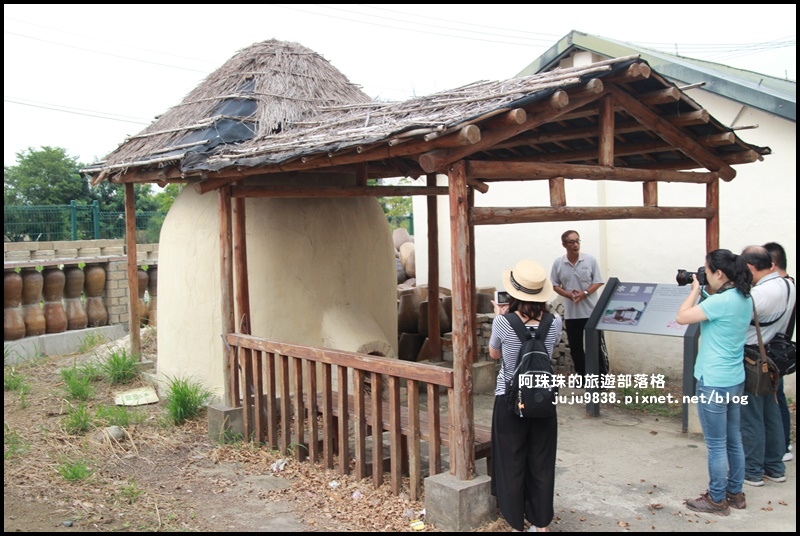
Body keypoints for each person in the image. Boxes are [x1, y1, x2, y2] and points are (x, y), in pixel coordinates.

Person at [676, 248, 753, 515]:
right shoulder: (743, 298)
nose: (706, 276)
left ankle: (717, 499)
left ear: (719, 273)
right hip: (734, 380)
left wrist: (695, 290)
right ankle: (735, 494)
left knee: (717, 444)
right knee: (734, 439)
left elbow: (682, 317)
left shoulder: (720, 302)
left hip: (713, 381)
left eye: (708, 272)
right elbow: (719, 312)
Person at [489, 260, 562, 532]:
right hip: (543, 400)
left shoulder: (503, 323)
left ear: (513, 295)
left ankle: (516, 521)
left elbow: (494, 354)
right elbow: (550, 349)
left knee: (512, 460)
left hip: (509, 400)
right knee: (541, 461)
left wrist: (501, 315)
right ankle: (541, 523)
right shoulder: (555, 321)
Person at [740, 245, 794, 486]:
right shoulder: (787, 284)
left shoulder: (760, 294)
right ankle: (774, 466)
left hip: (754, 358)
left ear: (751, 267)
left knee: (751, 415)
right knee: (771, 412)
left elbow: (731, 316)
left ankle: (752, 470)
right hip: (774, 356)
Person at [550, 230, 607, 377]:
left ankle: (601, 378)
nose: (576, 245)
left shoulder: (590, 260)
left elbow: (598, 281)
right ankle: (582, 377)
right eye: (571, 242)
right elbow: (555, 285)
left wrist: (585, 293)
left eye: (577, 241)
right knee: (576, 348)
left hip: (591, 312)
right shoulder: (558, 263)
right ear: (564, 245)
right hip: (571, 314)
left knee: (595, 347)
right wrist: (568, 295)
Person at [763, 241, 796, 462]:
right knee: (779, 398)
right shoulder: (790, 285)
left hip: (773, 351)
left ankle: (781, 447)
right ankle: (783, 444)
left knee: (775, 400)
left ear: (772, 265)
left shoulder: (777, 289)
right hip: (780, 350)